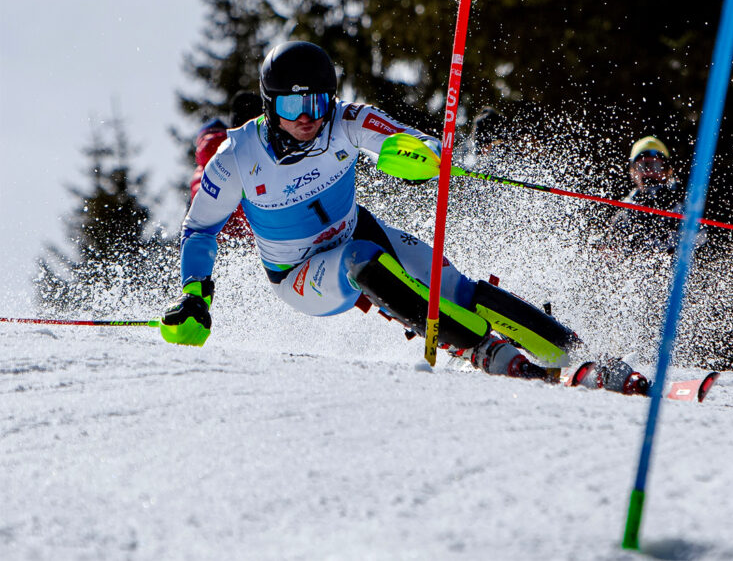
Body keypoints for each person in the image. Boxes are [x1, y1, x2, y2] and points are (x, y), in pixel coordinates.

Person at [160, 41, 648, 395]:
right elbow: (200, 227)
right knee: (360, 258)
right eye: (292, 104)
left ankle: (576, 352)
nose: (307, 117)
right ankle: (483, 350)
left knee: (455, 287)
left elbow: (405, 140)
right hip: (300, 274)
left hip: (357, 230)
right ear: (271, 106)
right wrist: (195, 295)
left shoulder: (345, 120)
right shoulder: (237, 155)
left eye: (317, 101)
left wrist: (422, 156)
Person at [598, 136, 704, 253]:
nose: (649, 172)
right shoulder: (627, 208)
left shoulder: (685, 201)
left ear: (668, 170)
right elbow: (613, 252)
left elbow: (702, 244)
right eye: (643, 166)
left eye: (656, 166)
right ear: (633, 172)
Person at [187, 92, 263, 239]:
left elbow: (191, 217)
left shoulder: (203, 170)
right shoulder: (237, 159)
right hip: (244, 244)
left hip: (211, 243)